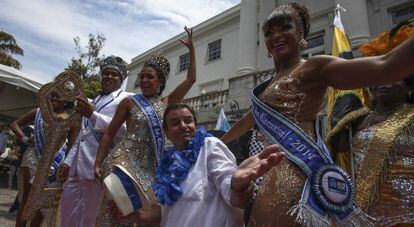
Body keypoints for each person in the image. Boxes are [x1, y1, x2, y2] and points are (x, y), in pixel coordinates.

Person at [221, 3, 414, 226]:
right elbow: (248, 120)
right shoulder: (266, 86)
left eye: (285, 28)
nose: (276, 36)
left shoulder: (313, 67)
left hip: (295, 170)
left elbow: (383, 66)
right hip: (263, 169)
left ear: (301, 33)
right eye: (269, 33)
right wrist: (212, 144)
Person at [111, 103, 284, 227]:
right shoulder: (167, 164)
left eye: (188, 120)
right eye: (175, 123)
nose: (184, 126)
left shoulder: (210, 146)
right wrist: (136, 217)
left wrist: (239, 185)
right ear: (166, 132)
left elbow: (236, 197)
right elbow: (166, 214)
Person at [93, 26, 196, 226]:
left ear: (161, 82)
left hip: (150, 167)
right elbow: (109, 134)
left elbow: (191, 79)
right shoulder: (129, 102)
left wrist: (191, 50)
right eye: (142, 76)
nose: (144, 80)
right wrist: (98, 162)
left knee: (141, 215)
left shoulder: (167, 103)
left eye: (150, 77)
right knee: (112, 212)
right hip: (123, 160)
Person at [326, 23, 414, 226]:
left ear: (409, 84)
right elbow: (332, 154)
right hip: (361, 216)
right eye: (379, 78)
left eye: (393, 78)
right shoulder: (355, 121)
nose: (384, 83)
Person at [58, 56, 133, 227]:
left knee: (91, 219)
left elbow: (123, 131)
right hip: (77, 168)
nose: (108, 77)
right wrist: (68, 161)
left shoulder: (127, 99)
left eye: (114, 74)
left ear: (121, 79)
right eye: (106, 73)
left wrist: (93, 115)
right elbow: (82, 136)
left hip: (98, 167)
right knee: (67, 215)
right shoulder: (93, 100)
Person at [10, 92, 77, 227]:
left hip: (54, 164)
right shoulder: (39, 112)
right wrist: (24, 138)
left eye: (58, 96)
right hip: (32, 158)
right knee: (27, 199)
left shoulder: (71, 120)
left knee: (43, 203)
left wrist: (66, 164)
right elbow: (14, 124)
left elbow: (72, 145)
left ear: (66, 100)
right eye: (52, 95)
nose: (54, 98)